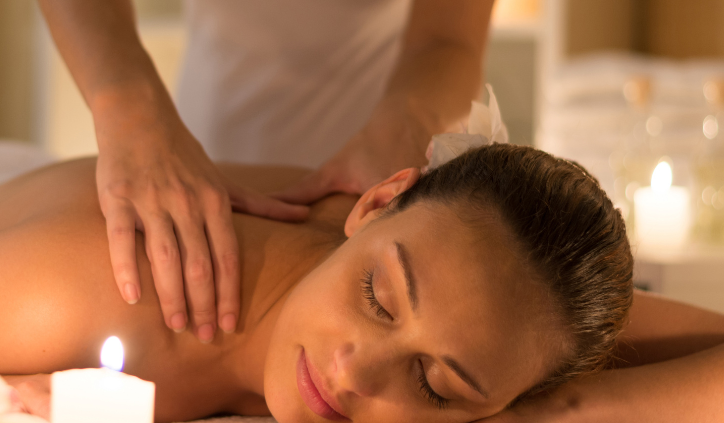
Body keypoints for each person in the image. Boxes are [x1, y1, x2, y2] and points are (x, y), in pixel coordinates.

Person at [0, 140, 724, 421]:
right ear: (371, 204)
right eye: (377, 297)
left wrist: (523, 400)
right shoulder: (96, 293)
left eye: (443, 387)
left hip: (22, 202)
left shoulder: (494, 297)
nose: (360, 375)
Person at [37, 0, 497, 343]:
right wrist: (126, 105)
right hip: (189, 153)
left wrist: (407, 123)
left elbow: (448, 39)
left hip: (371, 167)